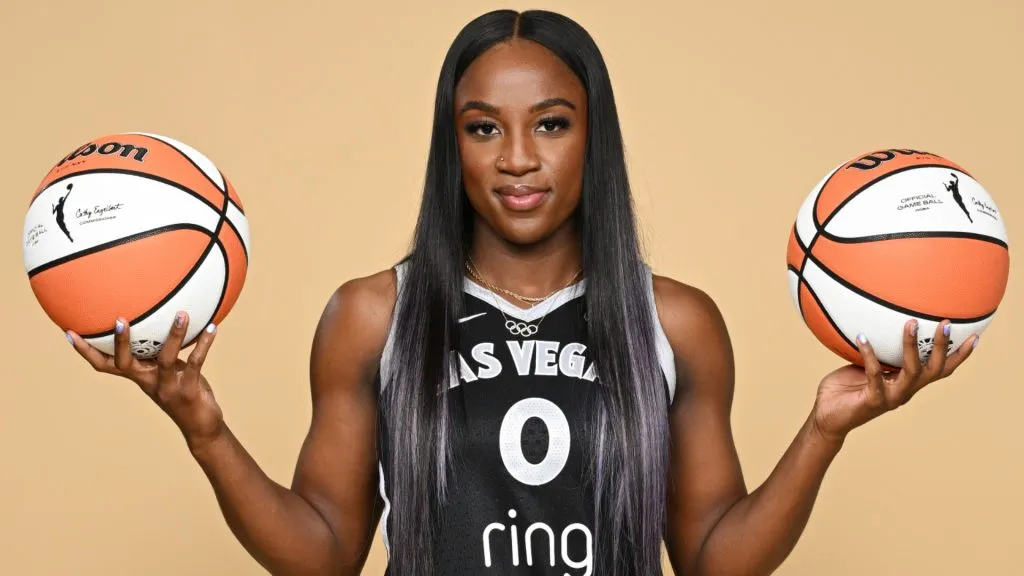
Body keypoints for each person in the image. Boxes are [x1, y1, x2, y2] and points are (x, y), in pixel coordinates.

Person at [65, 8, 980, 576]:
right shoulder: (373, 316)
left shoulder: (675, 322)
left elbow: (711, 559)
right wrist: (204, 430)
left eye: (550, 124)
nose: (515, 158)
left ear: (593, 138)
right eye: (481, 127)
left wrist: (824, 430)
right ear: (450, 144)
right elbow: (324, 553)